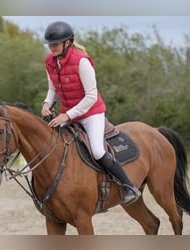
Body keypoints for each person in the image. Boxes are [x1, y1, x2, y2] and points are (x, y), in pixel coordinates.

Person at [41, 21, 141, 206]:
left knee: (97, 150)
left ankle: (129, 186)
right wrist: (47, 103)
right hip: (67, 114)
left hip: (91, 114)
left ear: (68, 42)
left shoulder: (82, 61)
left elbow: (91, 96)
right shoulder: (49, 62)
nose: (51, 47)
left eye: (55, 43)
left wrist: (67, 116)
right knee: (50, 143)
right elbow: (52, 89)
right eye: (49, 44)